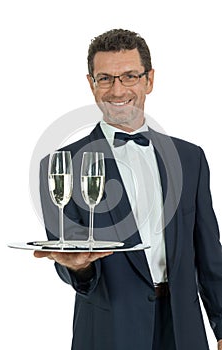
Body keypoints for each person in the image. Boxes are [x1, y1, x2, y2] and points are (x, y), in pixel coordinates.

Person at [34, 29, 222, 350]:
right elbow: (69, 258)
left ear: (149, 80)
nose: (117, 89)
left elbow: (209, 255)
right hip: (109, 331)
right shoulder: (61, 165)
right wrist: (80, 269)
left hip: (183, 330)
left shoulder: (190, 158)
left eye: (129, 76)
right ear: (92, 83)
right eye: (105, 78)